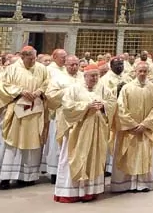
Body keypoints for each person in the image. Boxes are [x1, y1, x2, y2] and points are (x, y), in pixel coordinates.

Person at [53, 64, 116, 203]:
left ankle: (90, 191)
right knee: (72, 158)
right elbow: (67, 106)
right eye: (92, 76)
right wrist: (86, 106)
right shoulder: (74, 89)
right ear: (85, 76)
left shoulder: (103, 88)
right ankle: (69, 192)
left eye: (97, 76)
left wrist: (103, 105)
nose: (95, 78)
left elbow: (112, 102)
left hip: (95, 131)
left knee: (93, 157)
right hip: (77, 132)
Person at [0, 45, 50, 189]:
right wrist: (20, 91)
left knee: (32, 143)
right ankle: (6, 178)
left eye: (34, 58)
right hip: (18, 110)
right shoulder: (12, 69)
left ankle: (27, 177)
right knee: (13, 143)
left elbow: (47, 83)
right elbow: (3, 86)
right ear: (22, 57)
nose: (33, 61)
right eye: (30, 59)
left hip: (35, 110)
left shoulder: (41, 68)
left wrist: (39, 91)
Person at [111, 61, 153, 192]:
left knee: (144, 155)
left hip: (145, 130)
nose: (143, 74)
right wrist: (132, 124)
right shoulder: (127, 88)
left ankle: (143, 183)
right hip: (130, 131)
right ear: (135, 72)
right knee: (127, 154)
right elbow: (121, 108)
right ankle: (126, 184)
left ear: (148, 72)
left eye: (145, 71)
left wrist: (145, 124)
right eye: (140, 71)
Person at [44, 55, 83, 181]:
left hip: (80, 115)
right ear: (65, 65)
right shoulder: (58, 79)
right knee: (59, 143)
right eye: (71, 64)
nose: (74, 67)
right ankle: (55, 172)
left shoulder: (83, 77)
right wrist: (68, 91)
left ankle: (75, 169)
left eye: (76, 64)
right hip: (62, 114)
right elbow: (50, 95)